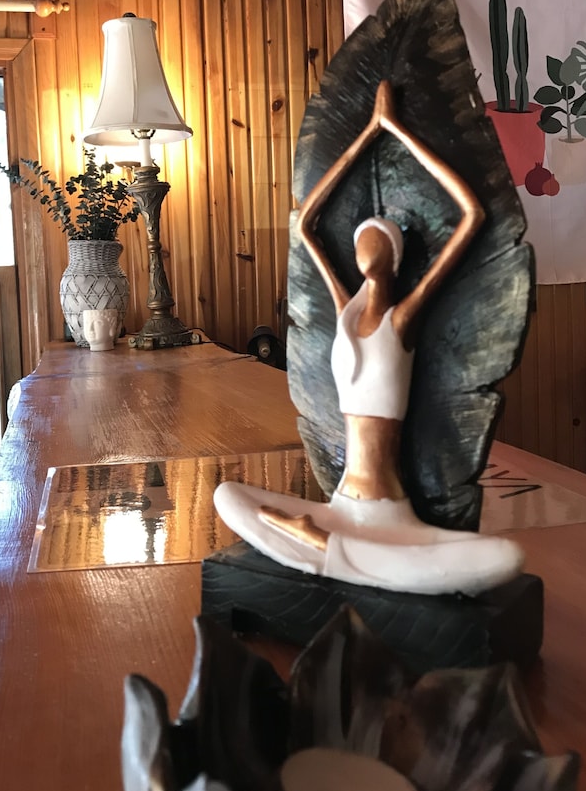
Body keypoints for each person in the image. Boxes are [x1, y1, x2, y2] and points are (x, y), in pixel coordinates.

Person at [214, 81, 524, 596]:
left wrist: (395, 130)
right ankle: (339, 551)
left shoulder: (401, 318)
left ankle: (327, 550)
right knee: (227, 496)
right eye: (362, 239)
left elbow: (471, 216)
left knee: (503, 558)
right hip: (343, 505)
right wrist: (367, 133)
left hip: (389, 510)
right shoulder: (345, 309)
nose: (365, 247)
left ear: (394, 256)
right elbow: (307, 225)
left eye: (377, 239)